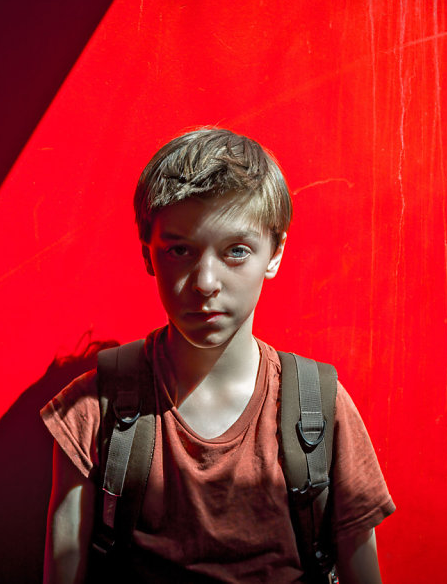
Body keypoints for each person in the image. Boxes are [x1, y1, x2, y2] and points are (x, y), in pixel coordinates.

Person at [41, 127, 394, 583]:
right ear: (148, 254)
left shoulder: (318, 409)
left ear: (276, 252)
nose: (205, 281)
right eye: (180, 250)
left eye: (236, 251)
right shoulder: (93, 410)